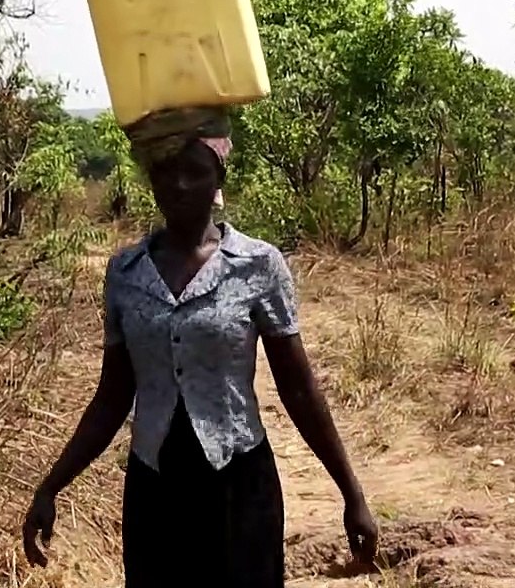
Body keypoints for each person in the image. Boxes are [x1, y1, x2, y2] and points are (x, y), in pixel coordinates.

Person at [21, 112, 377, 587]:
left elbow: (298, 387)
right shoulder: (125, 274)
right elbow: (111, 397)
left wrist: (351, 492)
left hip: (239, 484)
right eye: (168, 171)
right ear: (151, 179)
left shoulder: (257, 265)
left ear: (219, 179)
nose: (181, 184)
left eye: (196, 171)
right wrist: (52, 485)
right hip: (155, 489)